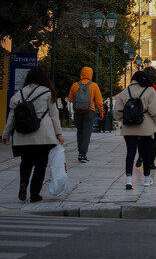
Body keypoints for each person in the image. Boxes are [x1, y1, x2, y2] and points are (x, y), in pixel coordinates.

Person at [2, 67, 64, 203]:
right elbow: (54, 116)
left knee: (25, 163)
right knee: (41, 165)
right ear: (43, 78)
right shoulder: (48, 93)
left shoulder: (19, 94)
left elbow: (11, 117)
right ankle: (35, 194)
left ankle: (23, 183)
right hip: (43, 137)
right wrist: (59, 133)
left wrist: (5, 135)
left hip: (22, 136)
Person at [114, 71, 156, 189]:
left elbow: (116, 112)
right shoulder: (150, 91)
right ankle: (146, 178)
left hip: (129, 127)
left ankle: (129, 179)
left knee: (130, 151)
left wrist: (125, 118)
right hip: (145, 127)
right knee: (145, 152)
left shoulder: (125, 92)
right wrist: (154, 119)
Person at [68, 66, 103, 163]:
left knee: (80, 132)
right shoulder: (94, 86)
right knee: (86, 134)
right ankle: (83, 154)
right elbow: (99, 102)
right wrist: (101, 113)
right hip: (89, 111)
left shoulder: (75, 85)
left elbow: (70, 99)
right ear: (91, 74)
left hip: (78, 112)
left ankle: (80, 151)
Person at [135, 66, 156, 170]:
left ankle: (141, 155)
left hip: (142, 114)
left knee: (141, 137)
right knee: (153, 139)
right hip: (153, 116)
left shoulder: (140, 85)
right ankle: (150, 163)